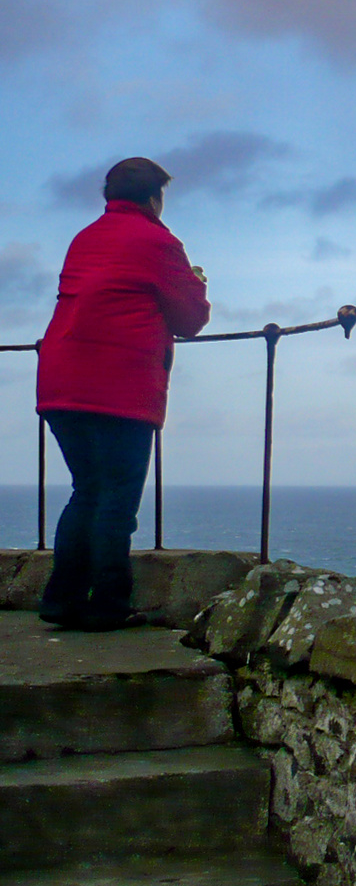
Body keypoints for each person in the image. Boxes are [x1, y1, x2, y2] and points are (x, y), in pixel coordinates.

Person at [35, 157, 211, 631]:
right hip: (119, 387)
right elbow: (190, 320)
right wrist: (197, 282)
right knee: (116, 499)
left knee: (86, 490)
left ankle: (61, 600)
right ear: (155, 198)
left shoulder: (84, 238)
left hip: (59, 381)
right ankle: (108, 605)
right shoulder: (159, 241)